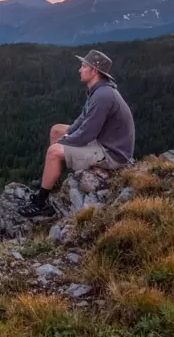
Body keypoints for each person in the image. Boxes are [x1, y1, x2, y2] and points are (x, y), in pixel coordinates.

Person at [18, 49, 136, 218]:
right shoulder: (97, 90)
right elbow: (82, 120)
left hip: (112, 153)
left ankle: (40, 202)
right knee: (56, 129)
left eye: (83, 66)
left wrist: (66, 141)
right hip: (105, 142)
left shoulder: (103, 96)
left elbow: (87, 134)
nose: (79, 70)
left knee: (53, 152)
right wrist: (66, 135)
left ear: (94, 70)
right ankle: (53, 180)